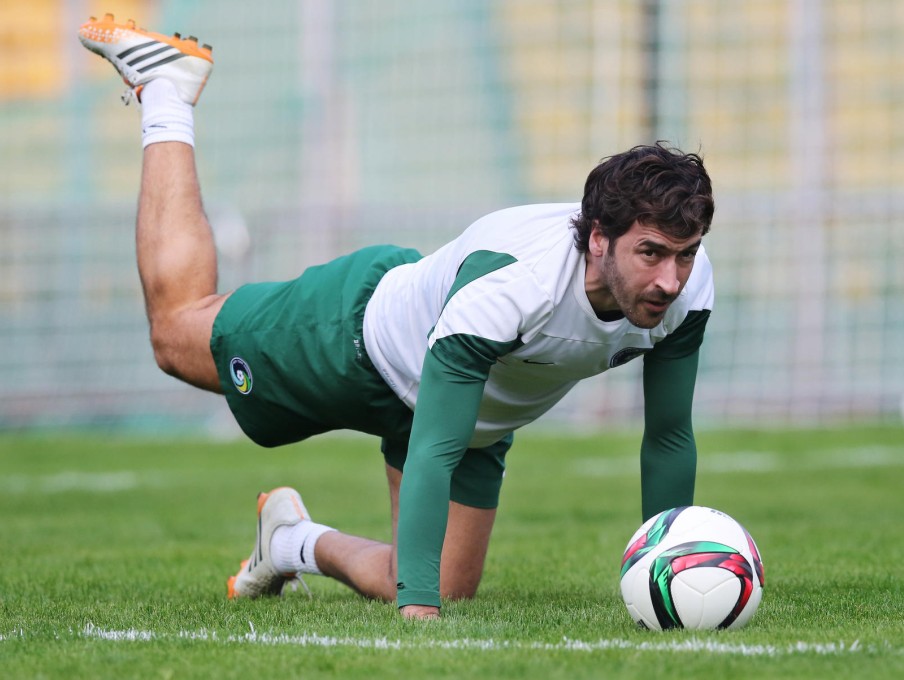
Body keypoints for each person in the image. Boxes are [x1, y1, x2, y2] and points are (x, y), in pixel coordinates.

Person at [79, 14, 716, 621]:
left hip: (470, 417)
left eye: (683, 256)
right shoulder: (516, 283)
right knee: (176, 331)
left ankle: (291, 542)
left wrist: (673, 568)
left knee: (447, 586)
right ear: (599, 239)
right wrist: (417, 610)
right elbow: (431, 447)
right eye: (652, 254)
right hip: (354, 340)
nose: (670, 279)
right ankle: (167, 90)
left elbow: (666, 436)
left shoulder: (686, 284)